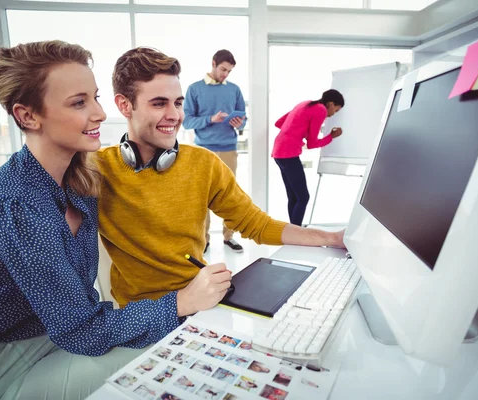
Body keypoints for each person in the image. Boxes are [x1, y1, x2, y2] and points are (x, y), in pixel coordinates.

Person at [0, 41, 225, 400]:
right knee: (170, 354)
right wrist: (182, 301)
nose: (100, 114)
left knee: (172, 338)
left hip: (47, 334)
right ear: (28, 116)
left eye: (95, 97)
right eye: (79, 103)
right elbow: (84, 332)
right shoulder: (19, 205)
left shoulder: (77, 176)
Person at [98, 47, 345, 309]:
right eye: (159, 103)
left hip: (200, 302)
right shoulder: (96, 168)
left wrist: (330, 238)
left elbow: (257, 224)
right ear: (125, 105)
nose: (174, 115)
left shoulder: (204, 164)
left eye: (178, 103)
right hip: (135, 313)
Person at [182, 49, 247, 253]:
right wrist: (211, 119)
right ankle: (204, 239)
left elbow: (243, 119)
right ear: (213, 63)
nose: (225, 74)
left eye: (229, 71)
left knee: (229, 194)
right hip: (204, 149)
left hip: (229, 148)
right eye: (223, 69)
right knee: (203, 195)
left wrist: (239, 123)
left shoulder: (234, 90)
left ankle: (229, 236)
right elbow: (186, 121)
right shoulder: (194, 89)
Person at [271, 89, 345, 226]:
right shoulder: (321, 110)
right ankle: (296, 232)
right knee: (303, 197)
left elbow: (279, 123)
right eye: (336, 110)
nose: (333, 114)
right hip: (289, 154)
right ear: (330, 104)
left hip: (278, 152)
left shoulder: (305, 103)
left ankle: (293, 230)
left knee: (294, 197)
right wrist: (331, 136)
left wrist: (297, 133)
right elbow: (312, 143)